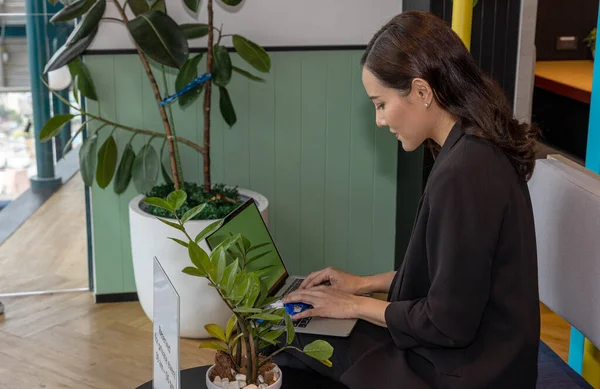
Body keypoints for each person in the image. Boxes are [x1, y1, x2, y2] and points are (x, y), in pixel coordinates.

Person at [275, 10, 541, 389]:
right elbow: (455, 283)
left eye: (380, 104)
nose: (379, 120)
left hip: (467, 372)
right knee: (309, 335)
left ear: (421, 91)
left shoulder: (464, 174)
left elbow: (448, 322)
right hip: (483, 359)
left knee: (291, 339)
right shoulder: (473, 148)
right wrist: (362, 284)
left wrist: (352, 306)